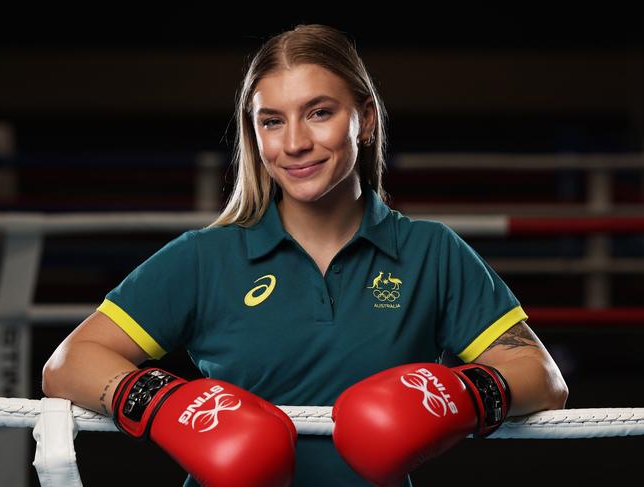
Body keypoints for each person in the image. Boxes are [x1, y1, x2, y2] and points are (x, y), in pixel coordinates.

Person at [41, 24, 569, 487]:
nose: (293, 143)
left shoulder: (430, 252)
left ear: (364, 119)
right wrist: (169, 403)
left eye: (318, 113)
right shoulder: (206, 257)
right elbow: (67, 365)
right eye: (272, 121)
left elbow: (541, 377)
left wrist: (456, 394)